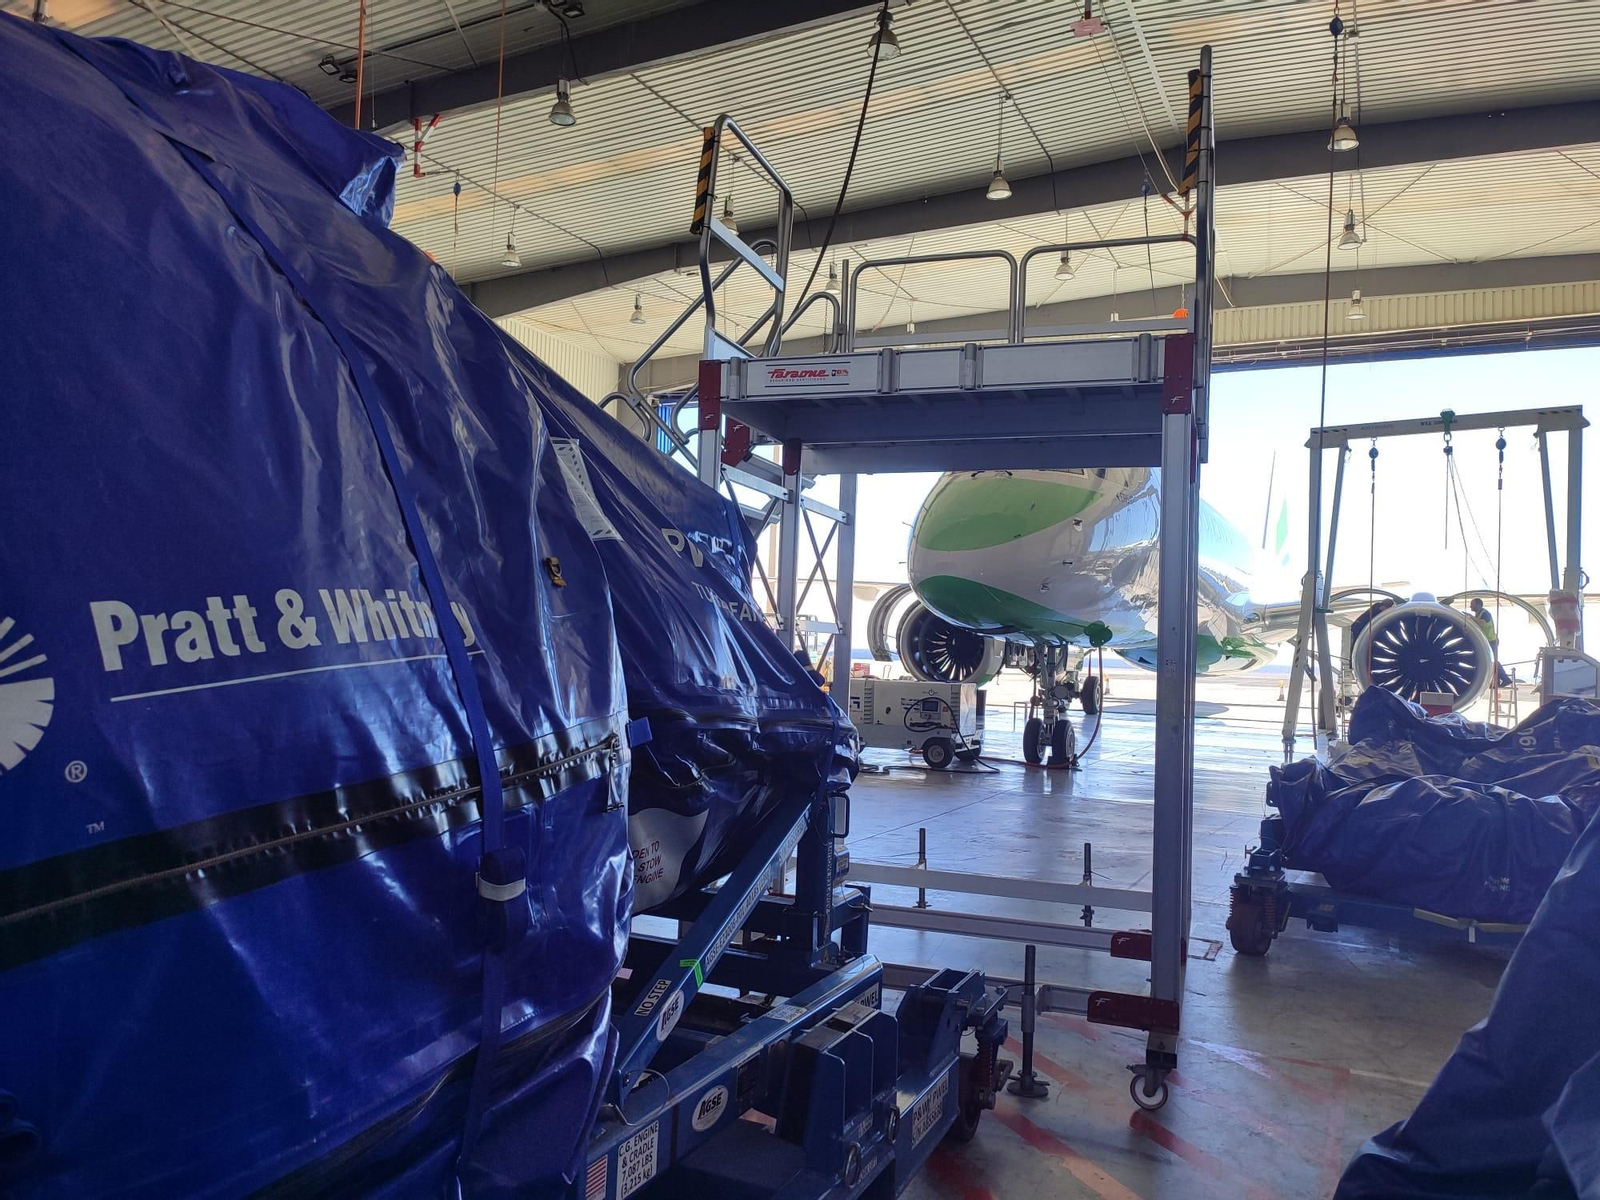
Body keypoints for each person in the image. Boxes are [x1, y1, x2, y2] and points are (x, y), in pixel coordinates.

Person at [1469, 597, 1513, 688]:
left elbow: (1482, 623)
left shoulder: (1484, 613)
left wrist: (1470, 618)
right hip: (1488, 641)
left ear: (1478, 604)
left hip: (1491, 640)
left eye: (1472, 604)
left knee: (1493, 661)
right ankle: (1496, 681)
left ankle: (1505, 679)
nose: (1470, 606)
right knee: (1490, 662)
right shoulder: (1478, 614)